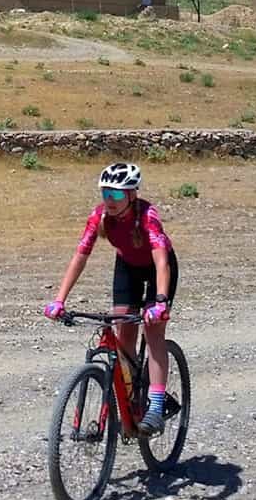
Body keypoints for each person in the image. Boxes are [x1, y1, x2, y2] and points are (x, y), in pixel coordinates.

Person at [43, 161, 179, 433]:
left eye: (116, 195)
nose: (110, 200)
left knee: (153, 334)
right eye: (105, 194)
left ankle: (155, 403)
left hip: (157, 272)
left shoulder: (147, 216)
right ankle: (130, 402)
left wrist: (160, 301)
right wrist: (59, 300)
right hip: (127, 267)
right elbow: (80, 256)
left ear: (132, 195)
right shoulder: (99, 217)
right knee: (122, 331)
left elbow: (161, 261)